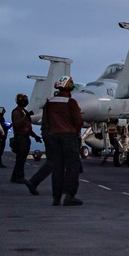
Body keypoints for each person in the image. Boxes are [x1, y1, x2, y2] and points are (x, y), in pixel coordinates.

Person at [41, 76, 84, 206]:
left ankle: (56, 197)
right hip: (69, 136)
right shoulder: (71, 102)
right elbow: (78, 122)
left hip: (53, 136)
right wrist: (75, 131)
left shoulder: (49, 102)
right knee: (72, 165)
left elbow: (45, 121)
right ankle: (69, 195)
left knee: (57, 167)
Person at [10, 93, 41, 184]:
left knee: (21, 158)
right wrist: (25, 117)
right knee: (21, 158)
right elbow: (17, 124)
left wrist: (35, 136)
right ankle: (20, 177)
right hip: (20, 138)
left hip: (25, 137)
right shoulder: (17, 112)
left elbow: (28, 127)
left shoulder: (23, 111)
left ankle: (15, 177)